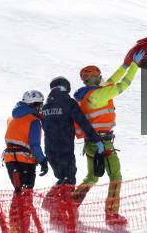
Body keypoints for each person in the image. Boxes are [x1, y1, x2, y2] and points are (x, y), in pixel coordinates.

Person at [71, 49, 145, 227]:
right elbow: (123, 85)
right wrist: (135, 66)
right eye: (99, 75)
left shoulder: (89, 94)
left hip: (91, 142)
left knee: (92, 177)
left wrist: (125, 65)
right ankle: (111, 214)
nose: (101, 77)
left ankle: (70, 205)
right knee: (115, 176)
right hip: (102, 142)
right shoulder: (98, 95)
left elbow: (111, 81)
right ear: (93, 78)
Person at [40, 76, 104, 225]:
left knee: (62, 179)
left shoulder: (45, 107)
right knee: (69, 180)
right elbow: (83, 123)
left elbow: (45, 127)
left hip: (49, 150)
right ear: (65, 87)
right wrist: (96, 140)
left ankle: (55, 213)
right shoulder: (68, 103)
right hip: (64, 149)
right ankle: (58, 215)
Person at [3, 90, 48, 232]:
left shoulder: (11, 117)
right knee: (26, 194)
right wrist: (43, 161)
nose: (40, 108)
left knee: (18, 192)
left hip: (10, 158)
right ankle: (23, 228)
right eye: (39, 104)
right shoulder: (33, 121)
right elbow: (34, 144)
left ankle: (14, 227)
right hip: (25, 161)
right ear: (34, 104)